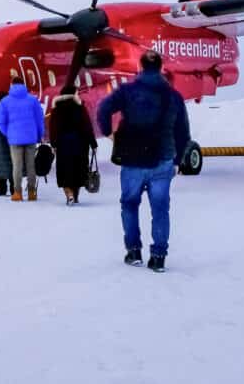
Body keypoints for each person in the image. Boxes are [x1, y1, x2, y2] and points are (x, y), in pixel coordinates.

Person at [98, 50, 190, 273]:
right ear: (160, 68)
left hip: (132, 160)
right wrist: (177, 159)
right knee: (160, 209)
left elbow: (103, 109)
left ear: (140, 67)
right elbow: (183, 132)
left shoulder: (127, 92)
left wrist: (108, 133)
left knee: (129, 205)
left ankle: (133, 252)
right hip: (163, 160)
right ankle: (158, 257)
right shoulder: (173, 96)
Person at [0, 77, 45, 202]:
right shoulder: (32, 100)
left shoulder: (5, 101)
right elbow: (39, 119)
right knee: (30, 166)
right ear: (23, 85)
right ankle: (32, 192)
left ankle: (17, 193)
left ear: (11, 85)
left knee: (17, 166)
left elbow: (0, 121)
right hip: (30, 137)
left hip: (14, 138)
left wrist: (8, 133)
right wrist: (40, 134)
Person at [49, 86, 98, 205]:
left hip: (63, 143)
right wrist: (93, 143)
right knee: (79, 168)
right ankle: (75, 196)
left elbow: (53, 128)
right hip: (80, 142)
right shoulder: (80, 108)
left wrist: (54, 143)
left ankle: (69, 194)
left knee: (65, 169)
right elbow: (87, 126)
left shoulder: (56, 109)